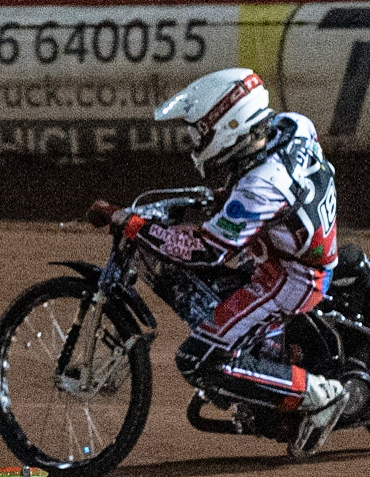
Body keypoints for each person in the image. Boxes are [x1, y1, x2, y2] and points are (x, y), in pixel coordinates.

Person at [89, 68, 347, 457]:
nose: (195, 139)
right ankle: (270, 363)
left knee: (198, 360)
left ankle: (319, 395)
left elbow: (205, 250)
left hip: (292, 276)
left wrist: (130, 223)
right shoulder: (291, 125)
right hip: (281, 247)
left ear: (230, 123)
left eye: (200, 130)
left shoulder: (261, 185)